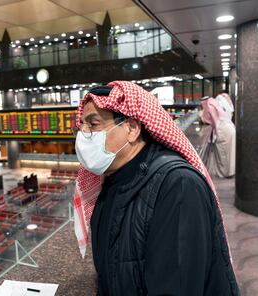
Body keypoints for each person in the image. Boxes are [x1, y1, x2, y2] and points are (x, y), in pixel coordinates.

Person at [73, 81, 239, 295]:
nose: (82, 133)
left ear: (132, 128)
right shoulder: (113, 179)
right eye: (81, 126)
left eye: (93, 124)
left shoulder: (178, 186)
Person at [199, 96, 235, 178]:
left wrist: (215, 135)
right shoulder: (215, 104)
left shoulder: (210, 107)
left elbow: (215, 122)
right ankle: (229, 172)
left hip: (223, 131)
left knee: (223, 154)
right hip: (229, 129)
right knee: (229, 153)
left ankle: (225, 173)